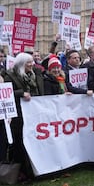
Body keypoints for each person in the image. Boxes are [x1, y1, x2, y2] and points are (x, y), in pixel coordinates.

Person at [3, 52, 44, 181]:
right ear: (21, 64)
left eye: (32, 61)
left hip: (35, 112)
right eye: (29, 62)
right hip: (19, 115)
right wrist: (21, 93)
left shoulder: (36, 73)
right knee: (21, 143)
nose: (32, 64)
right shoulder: (10, 75)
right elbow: (7, 92)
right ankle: (22, 171)